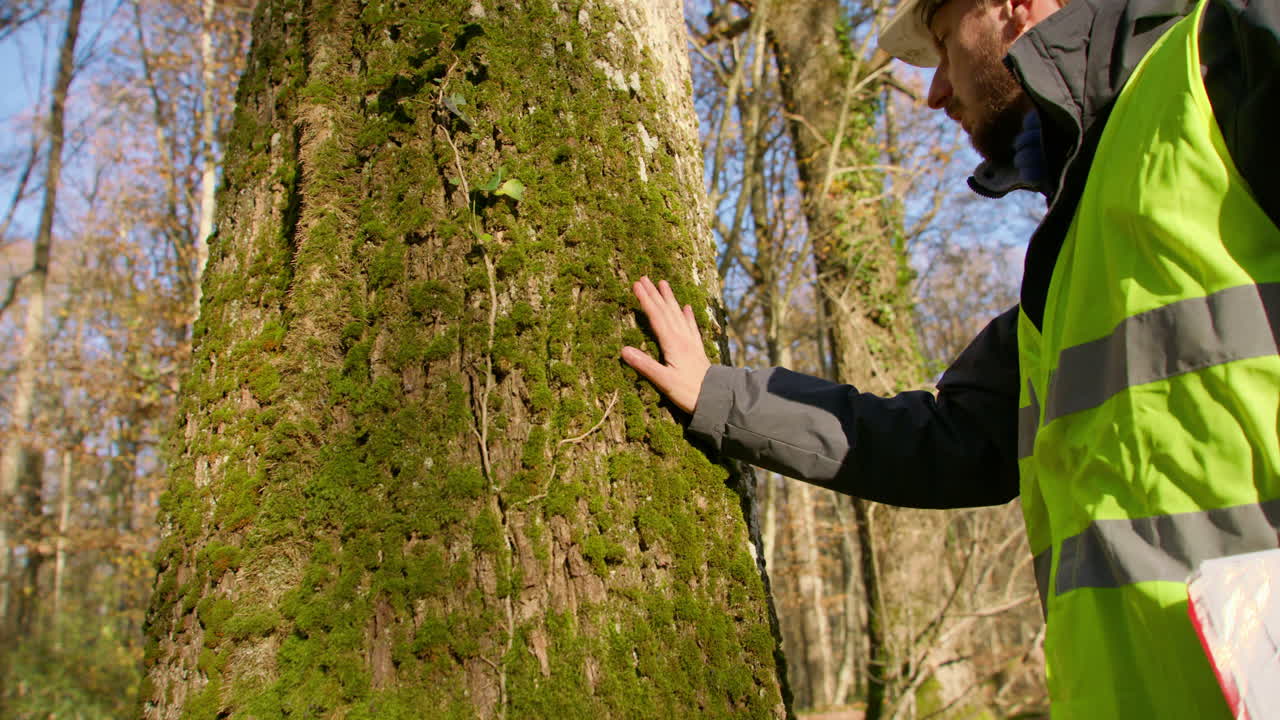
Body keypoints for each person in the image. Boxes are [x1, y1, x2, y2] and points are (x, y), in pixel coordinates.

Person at [620, 0, 1280, 715]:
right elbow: (952, 439)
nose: (934, 92)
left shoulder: (1223, 53)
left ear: (1012, 6)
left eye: (940, 45)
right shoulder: (1065, 271)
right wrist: (718, 394)